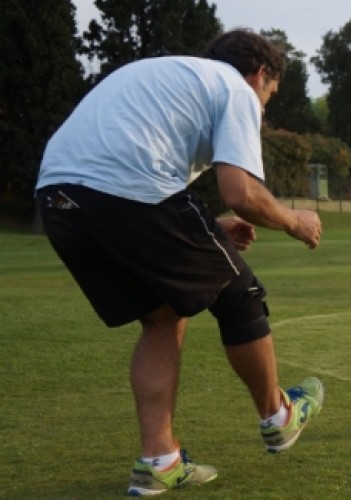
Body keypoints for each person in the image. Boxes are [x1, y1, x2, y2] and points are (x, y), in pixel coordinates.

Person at [35, 29, 325, 496]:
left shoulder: (173, 79)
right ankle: (279, 415)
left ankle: (159, 460)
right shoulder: (235, 88)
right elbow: (241, 192)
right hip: (125, 192)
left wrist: (209, 226)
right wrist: (295, 221)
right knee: (240, 293)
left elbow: (125, 167)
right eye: (271, 93)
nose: (265, 107)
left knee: (162, 316)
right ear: (259, 74)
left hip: (58, 200)